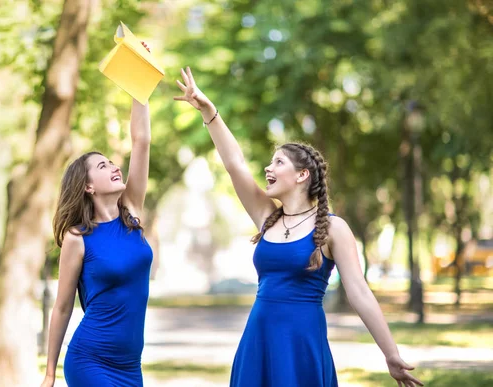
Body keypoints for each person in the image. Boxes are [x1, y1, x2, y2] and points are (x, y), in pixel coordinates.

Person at [174, 67, 423, 387]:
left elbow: (360, 293)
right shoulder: (267, 216)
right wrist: (209, 112)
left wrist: (390, 354)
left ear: (302, 175)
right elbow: (234, 162)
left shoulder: (334, 229)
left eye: (278, 162)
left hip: (302, 345)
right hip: (258, 341)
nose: (268, 167)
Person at [40, 88, 153, 385]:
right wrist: (50, 373)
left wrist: (139, 82)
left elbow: (141, 142)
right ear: (88, 187)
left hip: (130, 366)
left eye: (112, 163)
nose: (115, 167)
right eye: (103, 166)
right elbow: (63, 306)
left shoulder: (132, 212)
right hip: (91, 361)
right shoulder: (77, 238)